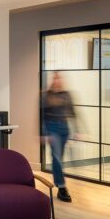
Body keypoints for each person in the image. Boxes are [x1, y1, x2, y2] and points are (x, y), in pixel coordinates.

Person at [41, 72, 79, 202]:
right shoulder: (46, 95)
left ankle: (59, 183)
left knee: (59, 158)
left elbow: (73, 113)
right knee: (56, 157)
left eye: (59, 78)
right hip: (52, 128)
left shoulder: (66, 94)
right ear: (52, 80)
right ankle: (62, 187)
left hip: (64, 128)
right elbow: (41, 116)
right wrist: (43, 133)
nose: (57, 80)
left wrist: (76, 131)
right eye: (55, 78)